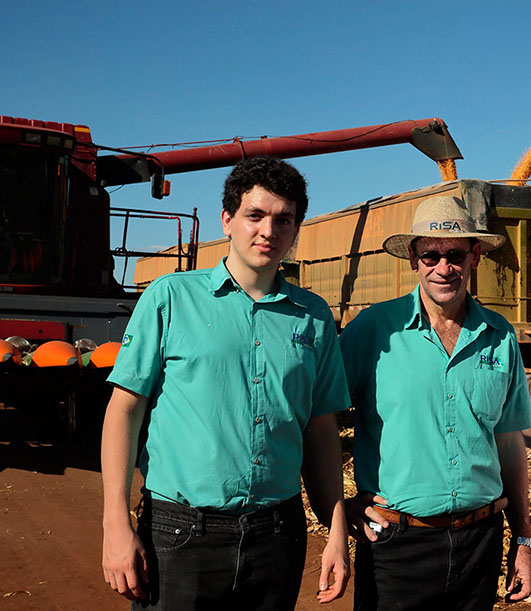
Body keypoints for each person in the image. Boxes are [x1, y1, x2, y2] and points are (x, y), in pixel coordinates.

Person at [101, 156, 350, 609]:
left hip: (278, 534)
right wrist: (115, 522)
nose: (268, 231)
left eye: (284, 219)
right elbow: (124, 410)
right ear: (228, 220)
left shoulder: (313, 316)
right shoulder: (171, 297)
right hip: (180, 534)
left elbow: (320, 429)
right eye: (255, 215)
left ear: (296, 229)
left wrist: (335, 532)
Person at [339, 194, 531, 610]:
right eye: (430, 255)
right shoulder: (373, 331)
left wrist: (522, 538)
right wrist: (337, 510)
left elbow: (509, 444)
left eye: (455, 255)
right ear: (413, 259)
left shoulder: (500, 337)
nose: (443, 268)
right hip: (395, 545)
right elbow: (317, 420)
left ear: (475, 256)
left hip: (480, 542)